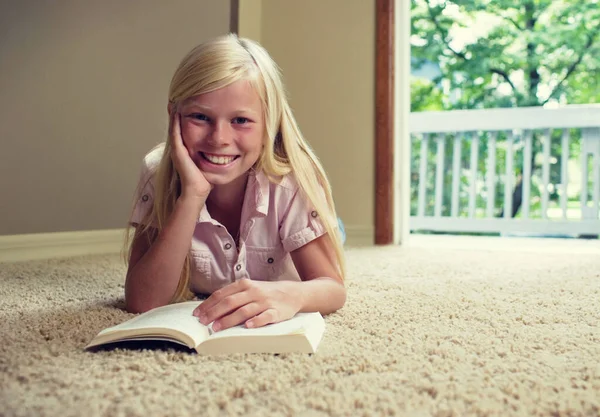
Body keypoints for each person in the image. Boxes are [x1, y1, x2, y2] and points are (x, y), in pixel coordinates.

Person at [123, 34, 347, 332]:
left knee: (331, 231)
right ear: (173, 116)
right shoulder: (157, 173)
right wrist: (192, 195)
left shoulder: (291, 182)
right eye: (200, 117)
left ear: (271, 122)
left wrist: (289, 294)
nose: (219, 139)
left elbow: (333, 289)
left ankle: (333, 226)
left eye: (240, 120)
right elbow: (143, 301)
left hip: (294, 222)